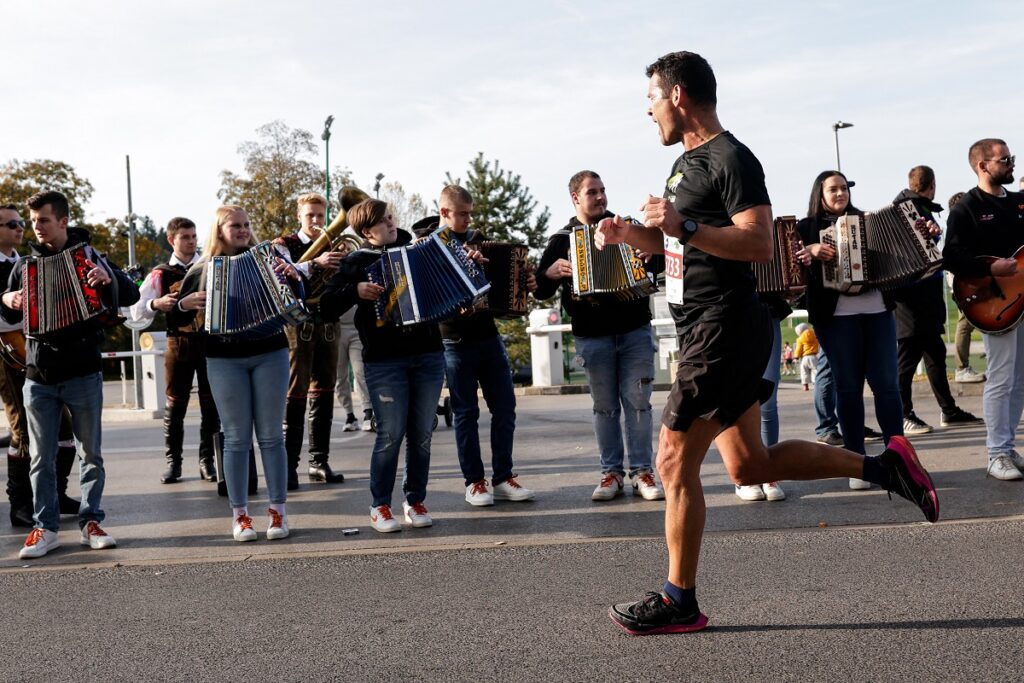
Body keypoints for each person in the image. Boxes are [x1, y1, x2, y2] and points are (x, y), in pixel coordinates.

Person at [597, 51, 938, 635]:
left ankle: (680, 599)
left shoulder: (732, 158)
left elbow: (756, 243)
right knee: (750, 464)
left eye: (651, 98)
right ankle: (888, 470)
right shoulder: (685, 165)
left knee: (672, 461)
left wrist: (682, 227)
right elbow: (687, 247)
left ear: (677, 95)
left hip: (723, 328)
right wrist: (637, 235)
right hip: (706, 325)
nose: (647, 110)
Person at [2, 190, 140, 559]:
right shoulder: (23, 265)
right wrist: (6, 300)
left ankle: (91, 521)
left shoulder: (91, 256)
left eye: (43, 220)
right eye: (33, 222)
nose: (37, 228)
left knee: (90, 454)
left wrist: (107, 276)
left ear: (63, 220)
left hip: (83, 370)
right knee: (40, 457)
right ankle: (44, 528)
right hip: (39, 373)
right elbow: (8, 308)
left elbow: (130, 293)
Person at [534, 171, 665, 503]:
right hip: (592, 335)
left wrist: (651, 256)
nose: (601, 197)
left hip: (634, 327)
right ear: (575, 198)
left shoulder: (626, 227)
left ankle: (642, 472)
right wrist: (548, 274)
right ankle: (611, 473)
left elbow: (660, 260)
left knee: (639, 404)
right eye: (593, 192)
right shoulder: (562, 239)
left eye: (603, 190)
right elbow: (540, 288)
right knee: (604, 407)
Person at [169, 205, 294, 541]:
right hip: (223, 356)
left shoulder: (267, 259)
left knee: (271, 436)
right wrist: (184, 304)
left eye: (246, 224)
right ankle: (240, 515)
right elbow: (176, 320)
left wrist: (290, 277)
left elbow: (295, 297)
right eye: (235, 225)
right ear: (219, 229)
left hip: (270, 351)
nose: (242, 230)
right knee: (236, 437)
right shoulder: (202, 269)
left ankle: (278, 512)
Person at [320, 199, 445, 533]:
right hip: (384, 360)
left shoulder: (417, 250)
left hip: (428, 353)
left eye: (391, 218)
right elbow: (326, 306)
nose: (392, 223)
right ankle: (380, 506)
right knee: (390, 435)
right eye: (384, 220)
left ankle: (415, 500)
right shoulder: (355, 263)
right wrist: (355, 290)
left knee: (422, 434)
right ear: (366, 231)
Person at [413, 185, 536, 506]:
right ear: (444, 213)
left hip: (488, 337)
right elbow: (428, 295)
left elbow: (504, 289)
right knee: (465, 413)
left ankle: (503, 477)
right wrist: (461, 267)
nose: (468, 219)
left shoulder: (480, 241)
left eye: (470, 213)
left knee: (505, 409)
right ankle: (475, 483)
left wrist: (525, 282)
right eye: (462, 214)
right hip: (452, 341)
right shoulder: (425, 247)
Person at [797, 170, 908, 490]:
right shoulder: (806, 228)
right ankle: (856, 462)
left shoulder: (868, 220)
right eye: (833, 189)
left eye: (844, 188)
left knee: (887, 385)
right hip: (836, 317)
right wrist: (813, 251)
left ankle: (898, 457)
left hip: (877, 311)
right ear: (819, 193)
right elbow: (791, 265)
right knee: (847, 387)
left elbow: (897, 247)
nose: (840, 193)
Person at [943, 139, 1024, 480]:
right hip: (996, 302)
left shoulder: (1020, 203)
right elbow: (952, 258)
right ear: (983, 166)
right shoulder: (967, 208)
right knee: (1002, 377)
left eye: (1011, 158)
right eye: (1004, 159)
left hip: (1022, 298)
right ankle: (996, 453)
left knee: (1020, 380)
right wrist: (992, 269)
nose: (1011, 164)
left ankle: (1007, 445)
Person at [0, 204, 78, 527]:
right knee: (21, 429)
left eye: (21, 223)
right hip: (6, 355)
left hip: (35, 354)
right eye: (12, 224)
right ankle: (19, 503)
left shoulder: (24, 261)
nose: (20, 228)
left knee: (63, 428)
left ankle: (55, 493)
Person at [128, 217, 220, 484]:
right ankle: (174, 463)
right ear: (172, 240)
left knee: (210, 406)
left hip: (208, 342)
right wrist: (157, 303)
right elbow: (135, 311)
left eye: (193, 236)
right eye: (185, 237)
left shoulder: (209, 264)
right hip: (177, 343)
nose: (191, 241)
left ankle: (207, 462)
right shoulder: (160, 273)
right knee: (175, 406)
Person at [891, 166, 982, 435]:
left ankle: (949, 410)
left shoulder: (919, 208)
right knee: (907, 360)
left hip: (926, 297)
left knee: (935, 355)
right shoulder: (905, 210)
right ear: (931, 184)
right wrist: (928, 234)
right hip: (910, 300)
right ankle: (903, 413)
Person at [275, 193, 347, 488]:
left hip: (328, 323)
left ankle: (319, 461)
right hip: (298, 325)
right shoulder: (284, 244)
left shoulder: (335, 245)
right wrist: (316, 263)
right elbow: (282, 276)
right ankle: (289, 466)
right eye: (310, 216)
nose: (316, 221)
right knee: (296, 393)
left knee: (325, 390)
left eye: (320, 215)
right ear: (299, 217)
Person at [947, 191, 985, 384]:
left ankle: (963, 366)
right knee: (965, 323)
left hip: (966, 284)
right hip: (964, 285)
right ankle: (962, 367)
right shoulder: (958, 229)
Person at [335, 305, 372, 432]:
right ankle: (350, 416)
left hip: (357, 329)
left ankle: (368, 413)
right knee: (340, 377)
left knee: (360, 372)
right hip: (336, 329)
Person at [793, 322, 819, 391]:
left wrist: (796, 357)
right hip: (813, 356)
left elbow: (798, 349)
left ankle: (805, 386)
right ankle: (816, 384)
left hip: (805, 358)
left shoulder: (800, 339)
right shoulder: (815, 334)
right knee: (815, 371)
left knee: (804, 371)